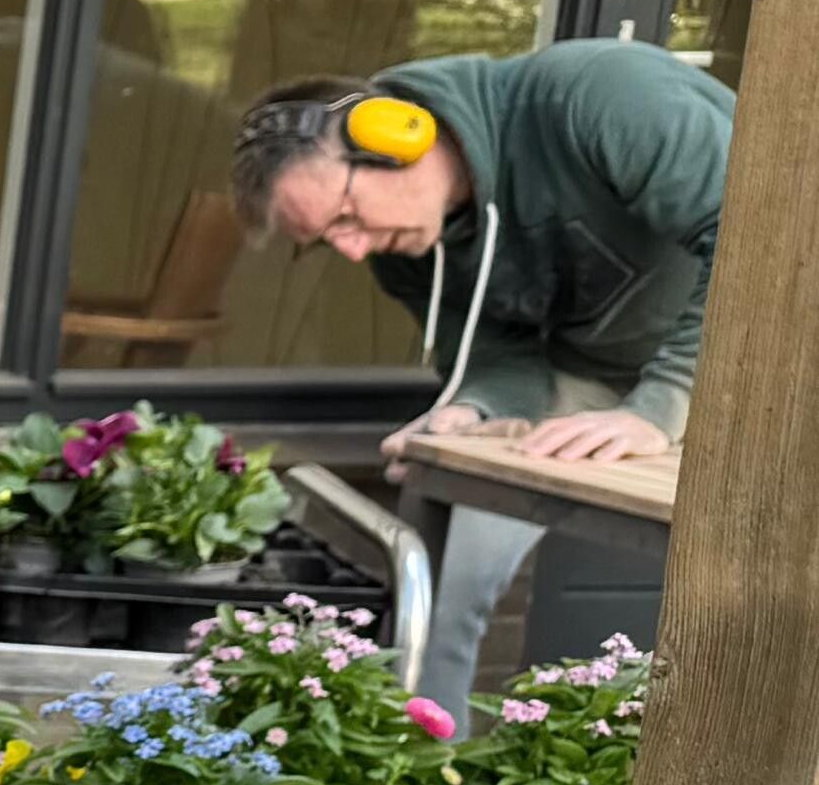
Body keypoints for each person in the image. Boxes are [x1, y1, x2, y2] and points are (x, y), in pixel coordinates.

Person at [231, 42, 721, 703]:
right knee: (441, 590)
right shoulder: (406, 243)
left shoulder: (598, 99)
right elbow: (498, 352)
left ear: (397, 137)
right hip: (604, 380)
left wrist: (662, 404)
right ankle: (430, 770)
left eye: (345, 216)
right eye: (325, 241)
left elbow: (766, 234)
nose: (350, 250)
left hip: (770, 354)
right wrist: (475, 409)